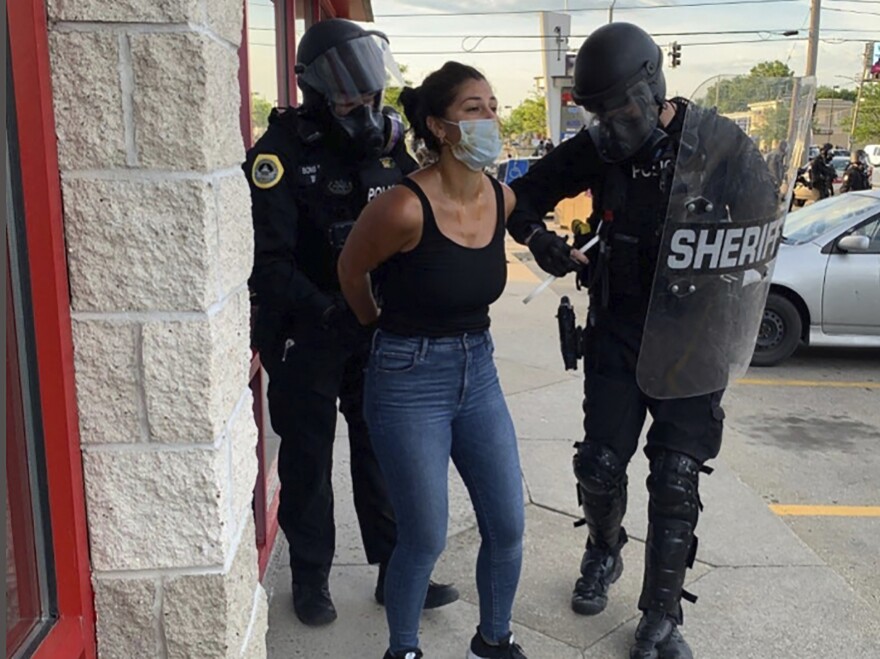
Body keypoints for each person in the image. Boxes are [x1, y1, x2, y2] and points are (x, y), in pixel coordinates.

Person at [506, 23, 778, 659]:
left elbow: (764, 235)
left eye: (623, 107)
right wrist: (542, 242)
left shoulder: (721, 144)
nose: (614, 123)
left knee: (677, 477)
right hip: (618, 330)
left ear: (654, 85)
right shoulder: (599, 147)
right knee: (599, 466)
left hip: (695, 337)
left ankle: (662, 614)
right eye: (599, 112)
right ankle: (604, 550)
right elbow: (521, 197)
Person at [243, 18, 458, 628]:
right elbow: (266, 263)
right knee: (308, 462)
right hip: (306, 335)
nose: (362, 105)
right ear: (315, 91)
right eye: (348, 94)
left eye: (369, 92)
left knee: (385, 455)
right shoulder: (279, 155)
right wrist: (331, 306)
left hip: (374, 335)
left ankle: (397, 573)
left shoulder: (389, 148)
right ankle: (311, 578)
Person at [338, 62, 527, 659]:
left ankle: (494, 639)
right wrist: (378, 328)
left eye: (493, 106)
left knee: (508, 525)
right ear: (441, 127)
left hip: (480, 371)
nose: (491, 119)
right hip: (407, 377)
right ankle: (404, 649)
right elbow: (350, 270)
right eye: (475, 108)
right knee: (423, 535)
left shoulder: (503, 197)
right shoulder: (403, 206)